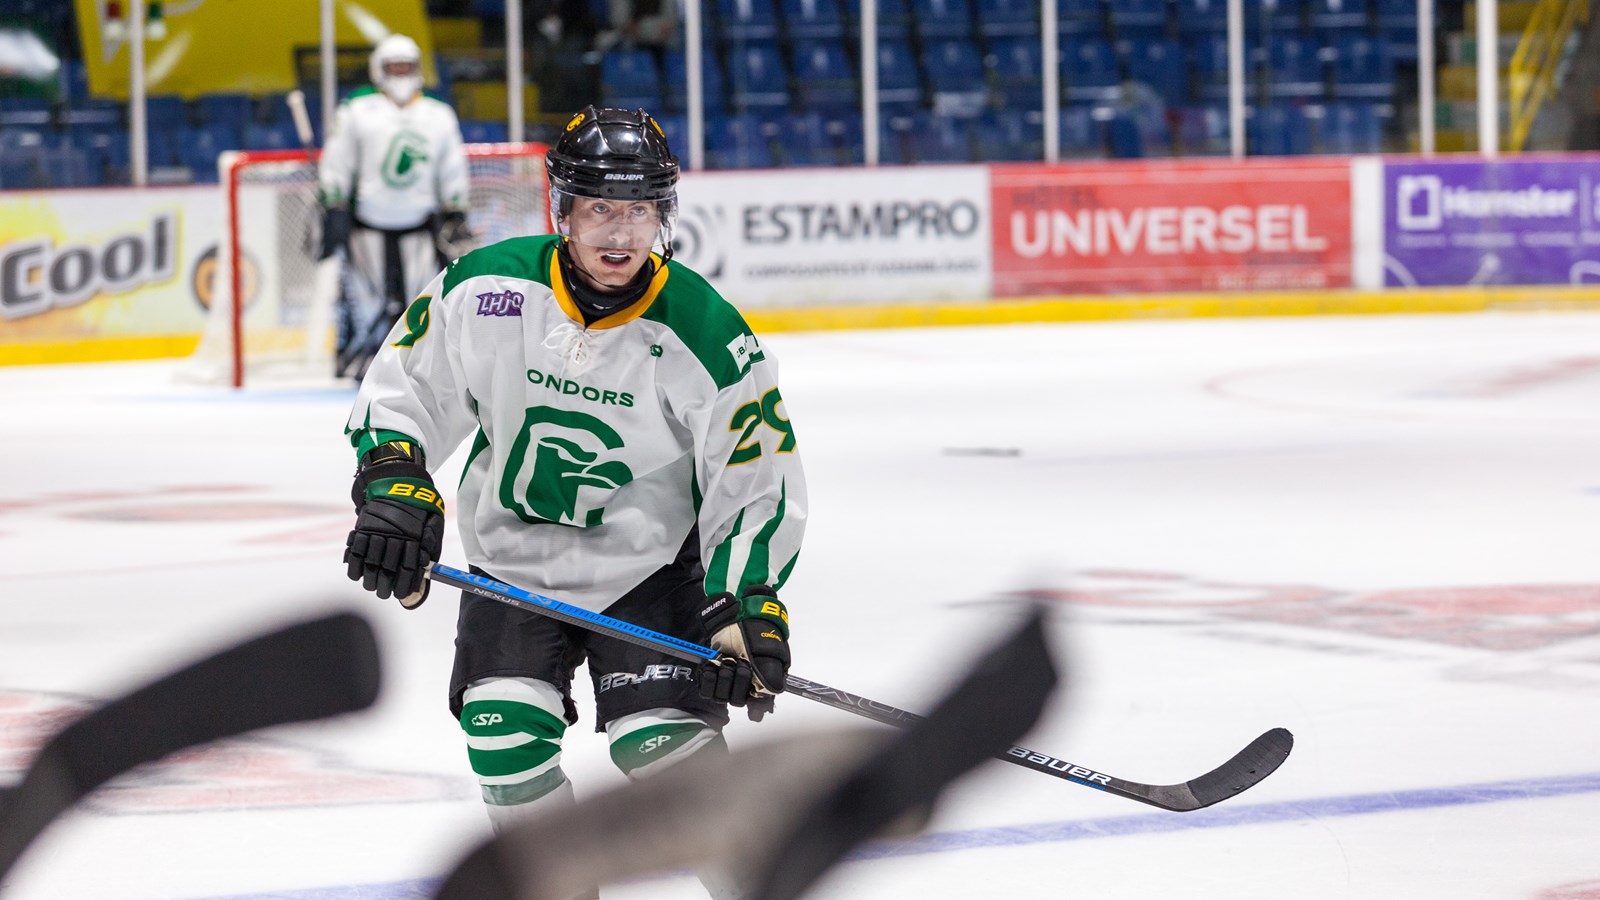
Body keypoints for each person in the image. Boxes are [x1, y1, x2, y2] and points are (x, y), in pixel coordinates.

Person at [340, 106, 806, 898]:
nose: (620, 233)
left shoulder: (706, 331)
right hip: (511, 567)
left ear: (665, 215)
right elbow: (404, 392)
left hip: (649, 571)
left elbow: (753, 475)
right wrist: (394, 479)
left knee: (666, 752)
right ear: (564, 210)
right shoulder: (485, 289)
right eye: (600, 209)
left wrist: (748, 600)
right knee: (504, 740)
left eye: (639, 210)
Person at [317, 33, 472, 379]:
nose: (401, 73)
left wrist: (455, 208)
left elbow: (452, 167)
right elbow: (337, 159)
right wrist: (334, 202)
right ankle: (365, 358)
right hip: (367, 221)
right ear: (378, 70)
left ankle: (418, 362)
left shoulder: (438, 114)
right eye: (394, 67)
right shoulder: (356, 109)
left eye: (407, 67)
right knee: (365, 301)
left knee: (422, 297)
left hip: (420, 222)